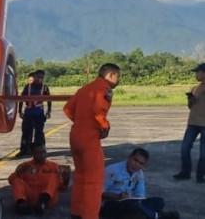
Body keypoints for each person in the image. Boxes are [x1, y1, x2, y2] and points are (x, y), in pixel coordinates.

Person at [63, 63, 120, 219]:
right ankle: (90, 215)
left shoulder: (84, 89)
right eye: (118, 76)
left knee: (80, 176)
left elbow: (67, 109)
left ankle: (76, 212)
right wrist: (104, 126)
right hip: (89, 137)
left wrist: (81, 121)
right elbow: (98, 110)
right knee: (94, 181)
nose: (119, 80)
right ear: (111, 75)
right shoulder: (104, 89)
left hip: (75, 135)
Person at [100, 148, 179, 219]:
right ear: (129, 157)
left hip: (131, 203)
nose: (136, 165)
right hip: (111, 204)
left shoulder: (139, 173)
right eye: (135, 160)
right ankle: (158, 216)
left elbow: (140, 196)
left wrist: (137, 201)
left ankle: (145, 214)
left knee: (159, 201)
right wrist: (117, 196)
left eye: (141, 163)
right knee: (134, 206)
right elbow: (99, 192)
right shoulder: (112, 170)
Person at [9, 142, 60, 215]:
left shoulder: (54, 166)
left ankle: (42, 202)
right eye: (39, 153)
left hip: (47, 199)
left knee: (54, 176)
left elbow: (62, 187)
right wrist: (19, 172)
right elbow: (11, 180)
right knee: (17, 181)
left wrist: (65, 178)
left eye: (44, 152)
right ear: (33, 153)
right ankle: (21, 204)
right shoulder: (25, 166)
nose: (43, 155)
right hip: (30, 198)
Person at [174, 62, 205, 182]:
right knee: (185, 148)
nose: (196, 74)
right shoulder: (195, 88)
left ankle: (200, 175)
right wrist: (191, 99)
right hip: (193, 123)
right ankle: (185, 172)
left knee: (203, 153)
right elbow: (190, 106)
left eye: (198, 72)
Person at [18, 70, 52, 157]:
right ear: (35, 77)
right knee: (26, 132)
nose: (40, 79)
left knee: (39, 133)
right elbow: (21, 98)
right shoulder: (27, 87)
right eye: (38, 77)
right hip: (28, 112)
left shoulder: (45, 87)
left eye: (42, 77)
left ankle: (39, 150)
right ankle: (24, 150)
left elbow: (49, 99)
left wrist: (49, 111)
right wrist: (20, 111)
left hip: (39, 113)